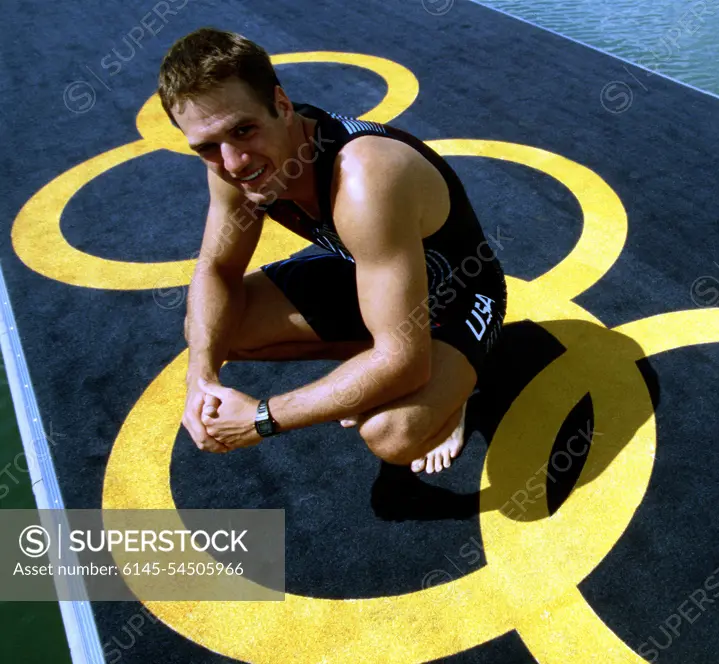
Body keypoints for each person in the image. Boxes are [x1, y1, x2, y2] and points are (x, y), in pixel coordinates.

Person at [163, 28, 506, 474]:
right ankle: (380, 364)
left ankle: (450, 393)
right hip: (368, 270)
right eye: (207, 147)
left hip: (459, 293)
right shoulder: (232, 166)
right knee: (208, 326)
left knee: (391, 434)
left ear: (282, 106)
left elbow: (402, 361)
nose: (233, 162)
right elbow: (217, 269)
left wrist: (261, 419)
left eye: (243, 130)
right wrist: (200, 378)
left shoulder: (364, 179)